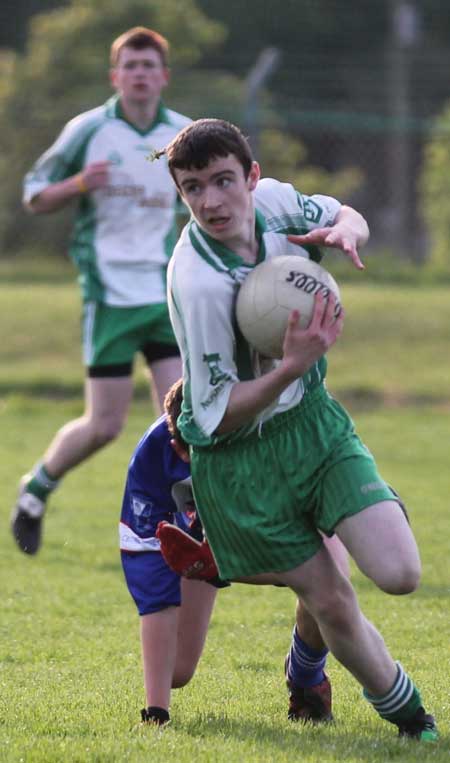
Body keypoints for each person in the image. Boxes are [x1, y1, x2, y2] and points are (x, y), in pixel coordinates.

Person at [160, 118, 437, 741]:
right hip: (239, 458)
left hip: (314, 423)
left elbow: (348, 213)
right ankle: (412, 719)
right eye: (193, 188)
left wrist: (346, 231)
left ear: (251, 178)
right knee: (333, 597)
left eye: (223, 181)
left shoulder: (278, 204)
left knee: (399, 574)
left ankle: (290, 622)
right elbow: (213, 415)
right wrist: (293, 365)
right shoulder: (196, 282)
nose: (210, 201)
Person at [12, 27, 189, 555]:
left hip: (165, 295)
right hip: (110, 296)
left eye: (148, 65)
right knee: (105, 424)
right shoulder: (88, 130)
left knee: (185, 417)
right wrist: (79, 184)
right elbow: (33, 196)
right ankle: (37, 487)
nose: (139, 74)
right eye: (129, 66)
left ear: (164, 76)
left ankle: (182, 525)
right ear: (115, 76)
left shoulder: (182, 135)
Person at [120, 378, 348, 725]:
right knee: (176, 671)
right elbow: (149, 572)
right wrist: (156, 712)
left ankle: (306, 678)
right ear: (179, 445)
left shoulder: (269, 436)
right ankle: (211, 564)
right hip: (196, 542)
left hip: (261, 527)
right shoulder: (154, 461)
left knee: (332, 578)